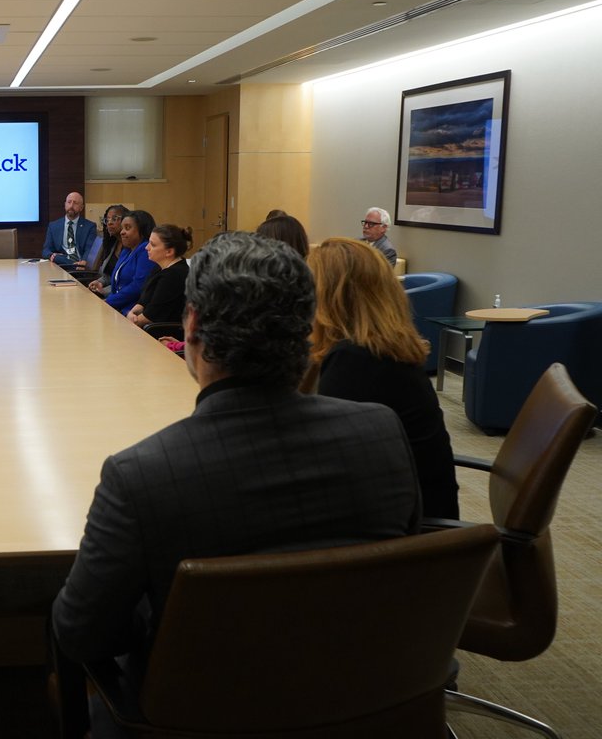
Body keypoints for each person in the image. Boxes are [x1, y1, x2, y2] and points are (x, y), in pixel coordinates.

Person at [52, 232, 420, 735]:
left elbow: (80, 634)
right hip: (359, 701)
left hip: (195, 713)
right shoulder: (381, 433)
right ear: (306, 329)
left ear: (194, 325)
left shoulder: (141, 475)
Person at [309, 237, 459, 519]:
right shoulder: (382, 349)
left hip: (407, 535)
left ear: (329, 297)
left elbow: (327, 461)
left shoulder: (355, 361)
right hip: (416, 509)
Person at [89, 210, 156, 315]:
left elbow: (138, 286)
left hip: (132, 312)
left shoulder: (145, 250)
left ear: (142, 230)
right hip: (117, 307)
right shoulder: (127, 250)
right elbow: (117, 280)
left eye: (127, 228)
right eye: (122, 228)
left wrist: (108, 302)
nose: (122, 232)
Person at [127, 224, 192, 328]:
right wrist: (131, 313)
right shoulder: (159, 267)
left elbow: (151, 315)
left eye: (152, 245)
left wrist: (131, 321)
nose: (146, 247)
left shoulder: (174, 276)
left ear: (169, 251)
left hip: (165, 332)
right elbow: (144, 300)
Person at [42, 191, 97, 267]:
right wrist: (52, 255)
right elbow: (46, 250)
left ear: (81, 208)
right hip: (61, 266)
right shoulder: (53, 226)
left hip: (80, 266)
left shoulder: (89, 226)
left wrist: (84, 261)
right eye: (69, 202)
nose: (71, 205)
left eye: (75, 203)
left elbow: (89, 249)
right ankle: (70, 263)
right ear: (65, 205)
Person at [84, 205, 129, 289]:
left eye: (114, 218)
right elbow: (110, 275)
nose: (109, 223)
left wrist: (104, 291)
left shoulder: (131, 247)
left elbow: (124, 282)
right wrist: (100, 282)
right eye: (107, 220)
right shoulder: (112, 243)